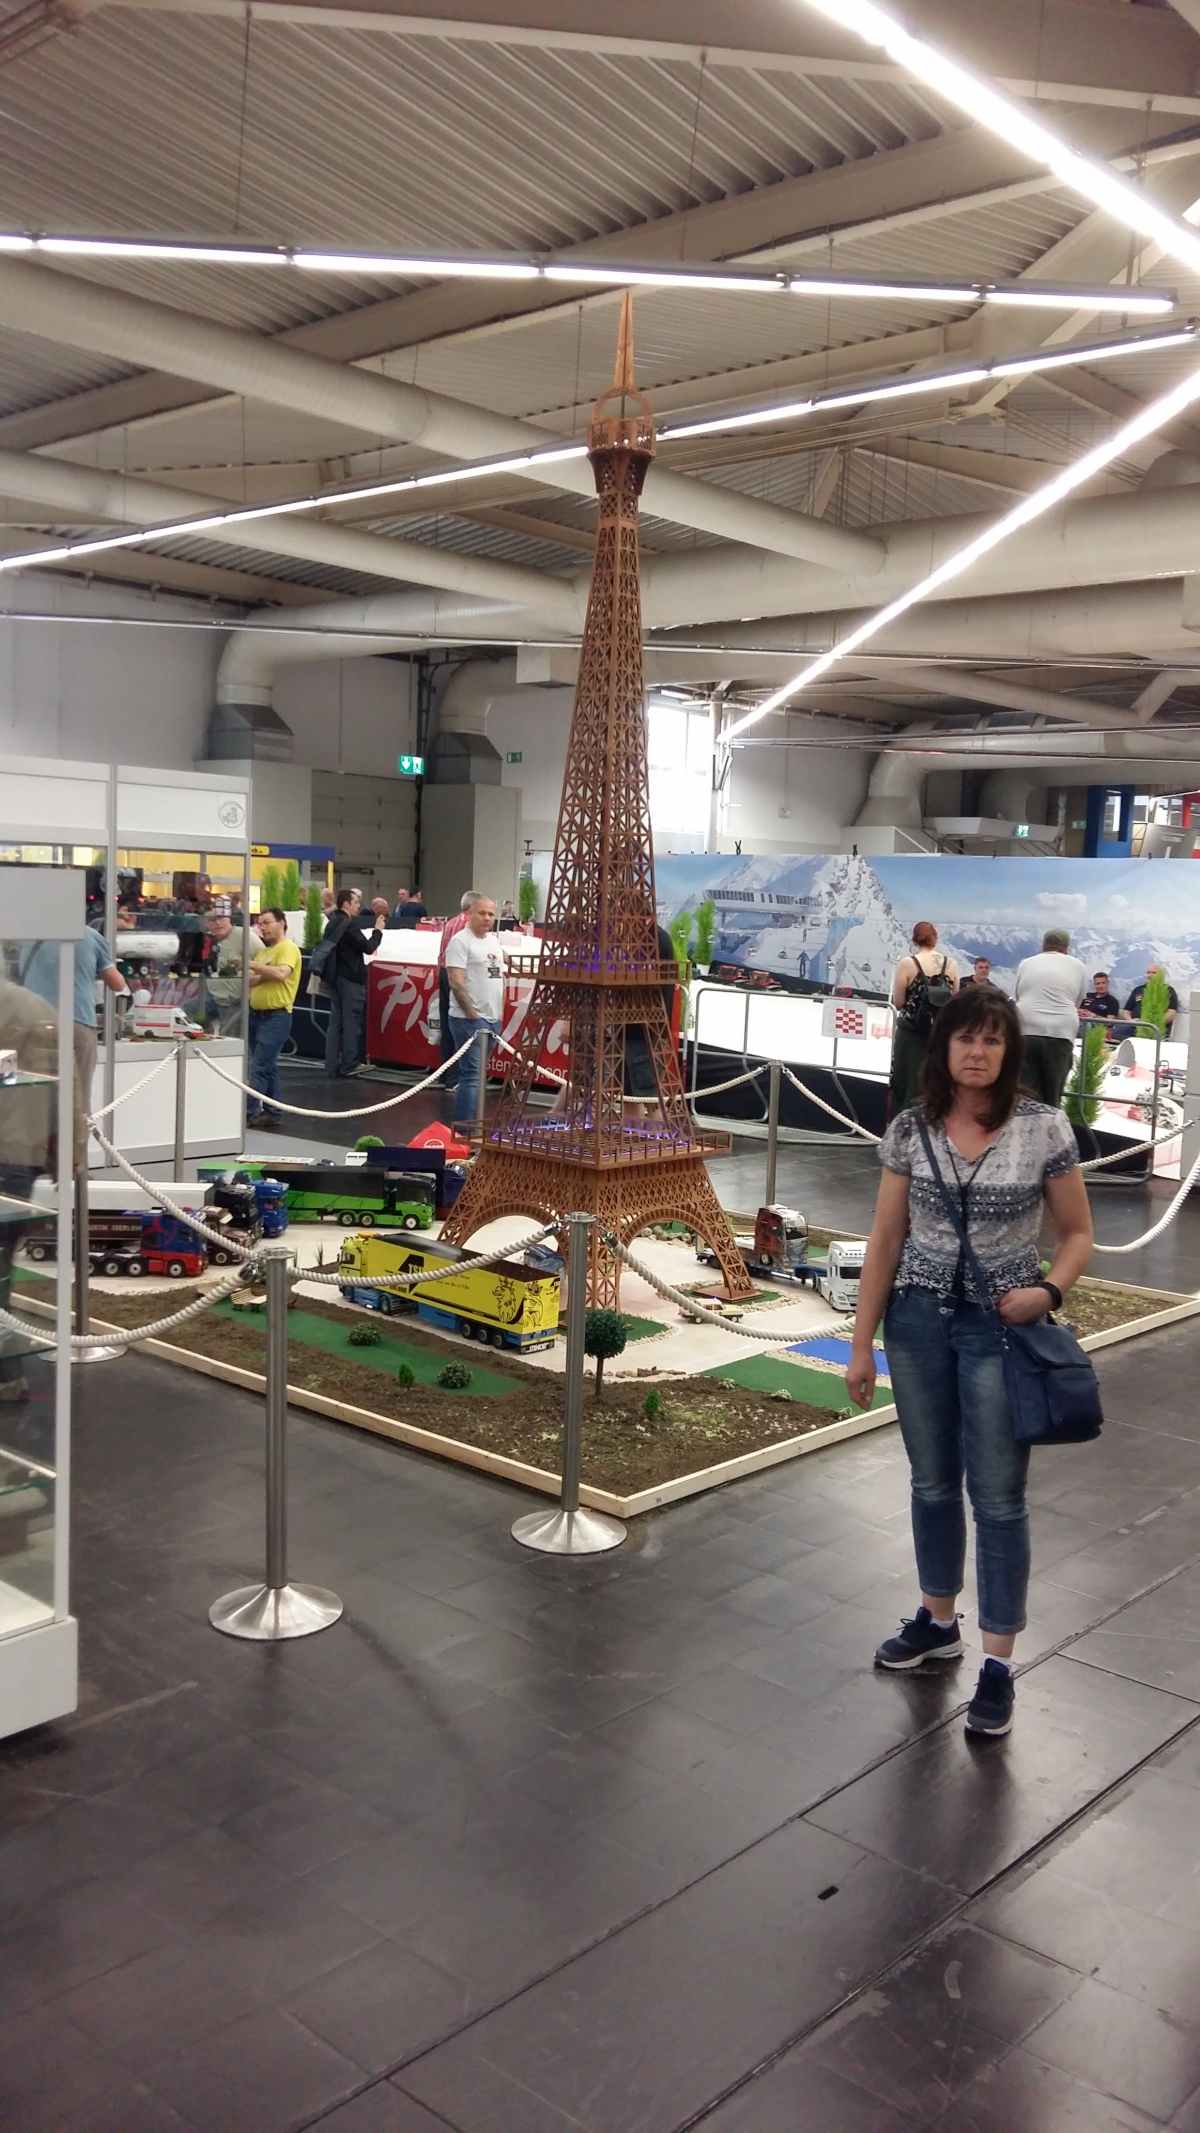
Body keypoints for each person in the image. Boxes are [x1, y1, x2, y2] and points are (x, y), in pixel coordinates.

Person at [846, 988, 1093, 1737]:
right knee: (930, 1481)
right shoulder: (911, 1127)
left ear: (1010, 1050)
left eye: (991, 1040)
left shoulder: (1042, 1128)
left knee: (998, 1496)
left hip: (999, 1329)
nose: (977, 1053)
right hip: (917, 1323)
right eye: (964, 1039)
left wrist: (1048, 1290)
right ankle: (937, 1618)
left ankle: (997, 1663)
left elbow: (1077, 1232)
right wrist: (860, 1343)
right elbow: (886, 1239)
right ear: (943, 1048)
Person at [20, 924, 129, 1173]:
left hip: (35, 1024)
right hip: (77, 1023)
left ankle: (36, 1165)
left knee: (37, 1097)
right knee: (78, 1099)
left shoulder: (30, 935)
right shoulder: (90, 936)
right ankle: (74, 1167)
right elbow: (117, 984)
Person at [445, 894, 503, 1126]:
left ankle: (472, 1126)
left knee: (478, 1077)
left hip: (492, 1018)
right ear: (470, 913)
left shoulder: (493, 941)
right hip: (469, 1020)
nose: (487, 918)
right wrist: (472, 1015)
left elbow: (499, 976)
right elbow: (456, 981)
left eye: (491, 914)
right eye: (482, 913)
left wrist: (498, 1014)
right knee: (472, 1075)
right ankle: (466, 1129)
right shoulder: (460, 942)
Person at [1013, 928, 1086, 1107]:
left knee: (1025, 1091)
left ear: (1043, 946)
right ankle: (1050, 1121)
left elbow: (1018, 996)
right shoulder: (1078, 966)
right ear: (1066, 948)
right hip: (1061, 1031)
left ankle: (1024, 1121)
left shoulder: (1026, 963)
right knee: (1053, 1092)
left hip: (1026, 1028)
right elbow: (1078, 1001)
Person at [890, 922, 958, 1113]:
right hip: (939, 1036)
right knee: (935, 1083)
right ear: (935, 938)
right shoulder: (951, 964)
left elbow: (898, 1002)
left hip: (911, 1035)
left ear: (914, 940)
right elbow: (955, 1001)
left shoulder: (908, 963)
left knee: (906, 1086)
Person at [245, 907, 302, 1128]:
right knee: (267, 1065)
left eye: (267, 922)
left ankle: (249, 1111)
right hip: (257, 1013)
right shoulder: (264, 953)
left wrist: (256, 967)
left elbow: (280, 973)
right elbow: (250, 980)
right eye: (261, 924)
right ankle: (272, 1110)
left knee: (259, 1065)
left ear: (282, 923)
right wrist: (264, 971)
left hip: (276, 1015)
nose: (263, 928)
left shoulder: (288, 948)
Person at [322, 887, 382, 1079]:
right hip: (351, 978)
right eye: (356, 902)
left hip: (334, 977)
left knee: (335, 1022)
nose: (358, 905)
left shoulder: (331, 924)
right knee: (351, 1021)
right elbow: (368, 947)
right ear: (346, 903)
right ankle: (350, 1063)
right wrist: (378, 931)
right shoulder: (349, 925)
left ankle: (332, 1064)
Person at [439, 891, 482, 1080]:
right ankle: (455, 1077)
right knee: (462, 1025)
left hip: (444, 972)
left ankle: (444, 1074)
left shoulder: (449, 923)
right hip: (460, 976)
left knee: (447, 1025)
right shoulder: (468, 925)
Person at [202, 911, 245, 1036]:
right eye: (212, 920)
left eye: (221, 918)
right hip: (213, 996)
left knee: (229, 1038)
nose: (217, 923)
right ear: (206, 924)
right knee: (184, 1013)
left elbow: (263, 960)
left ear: (229, 919)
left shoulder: (243, 936)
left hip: (234, 1001)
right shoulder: (209, 939)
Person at [1114, 963, 1179, 1039]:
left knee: (1115, 1033)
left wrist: (1153, 1023)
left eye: (1154, 973)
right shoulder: (1138, 989)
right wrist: (1131, 1020)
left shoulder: (1168, 991)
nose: (1150, 975)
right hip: (1135, 1025)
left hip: (1155, 1029)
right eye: (1148, 972)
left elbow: (1172, 1013)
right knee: (1113, 1032)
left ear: (1160, 974)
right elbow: (1126, 1011)